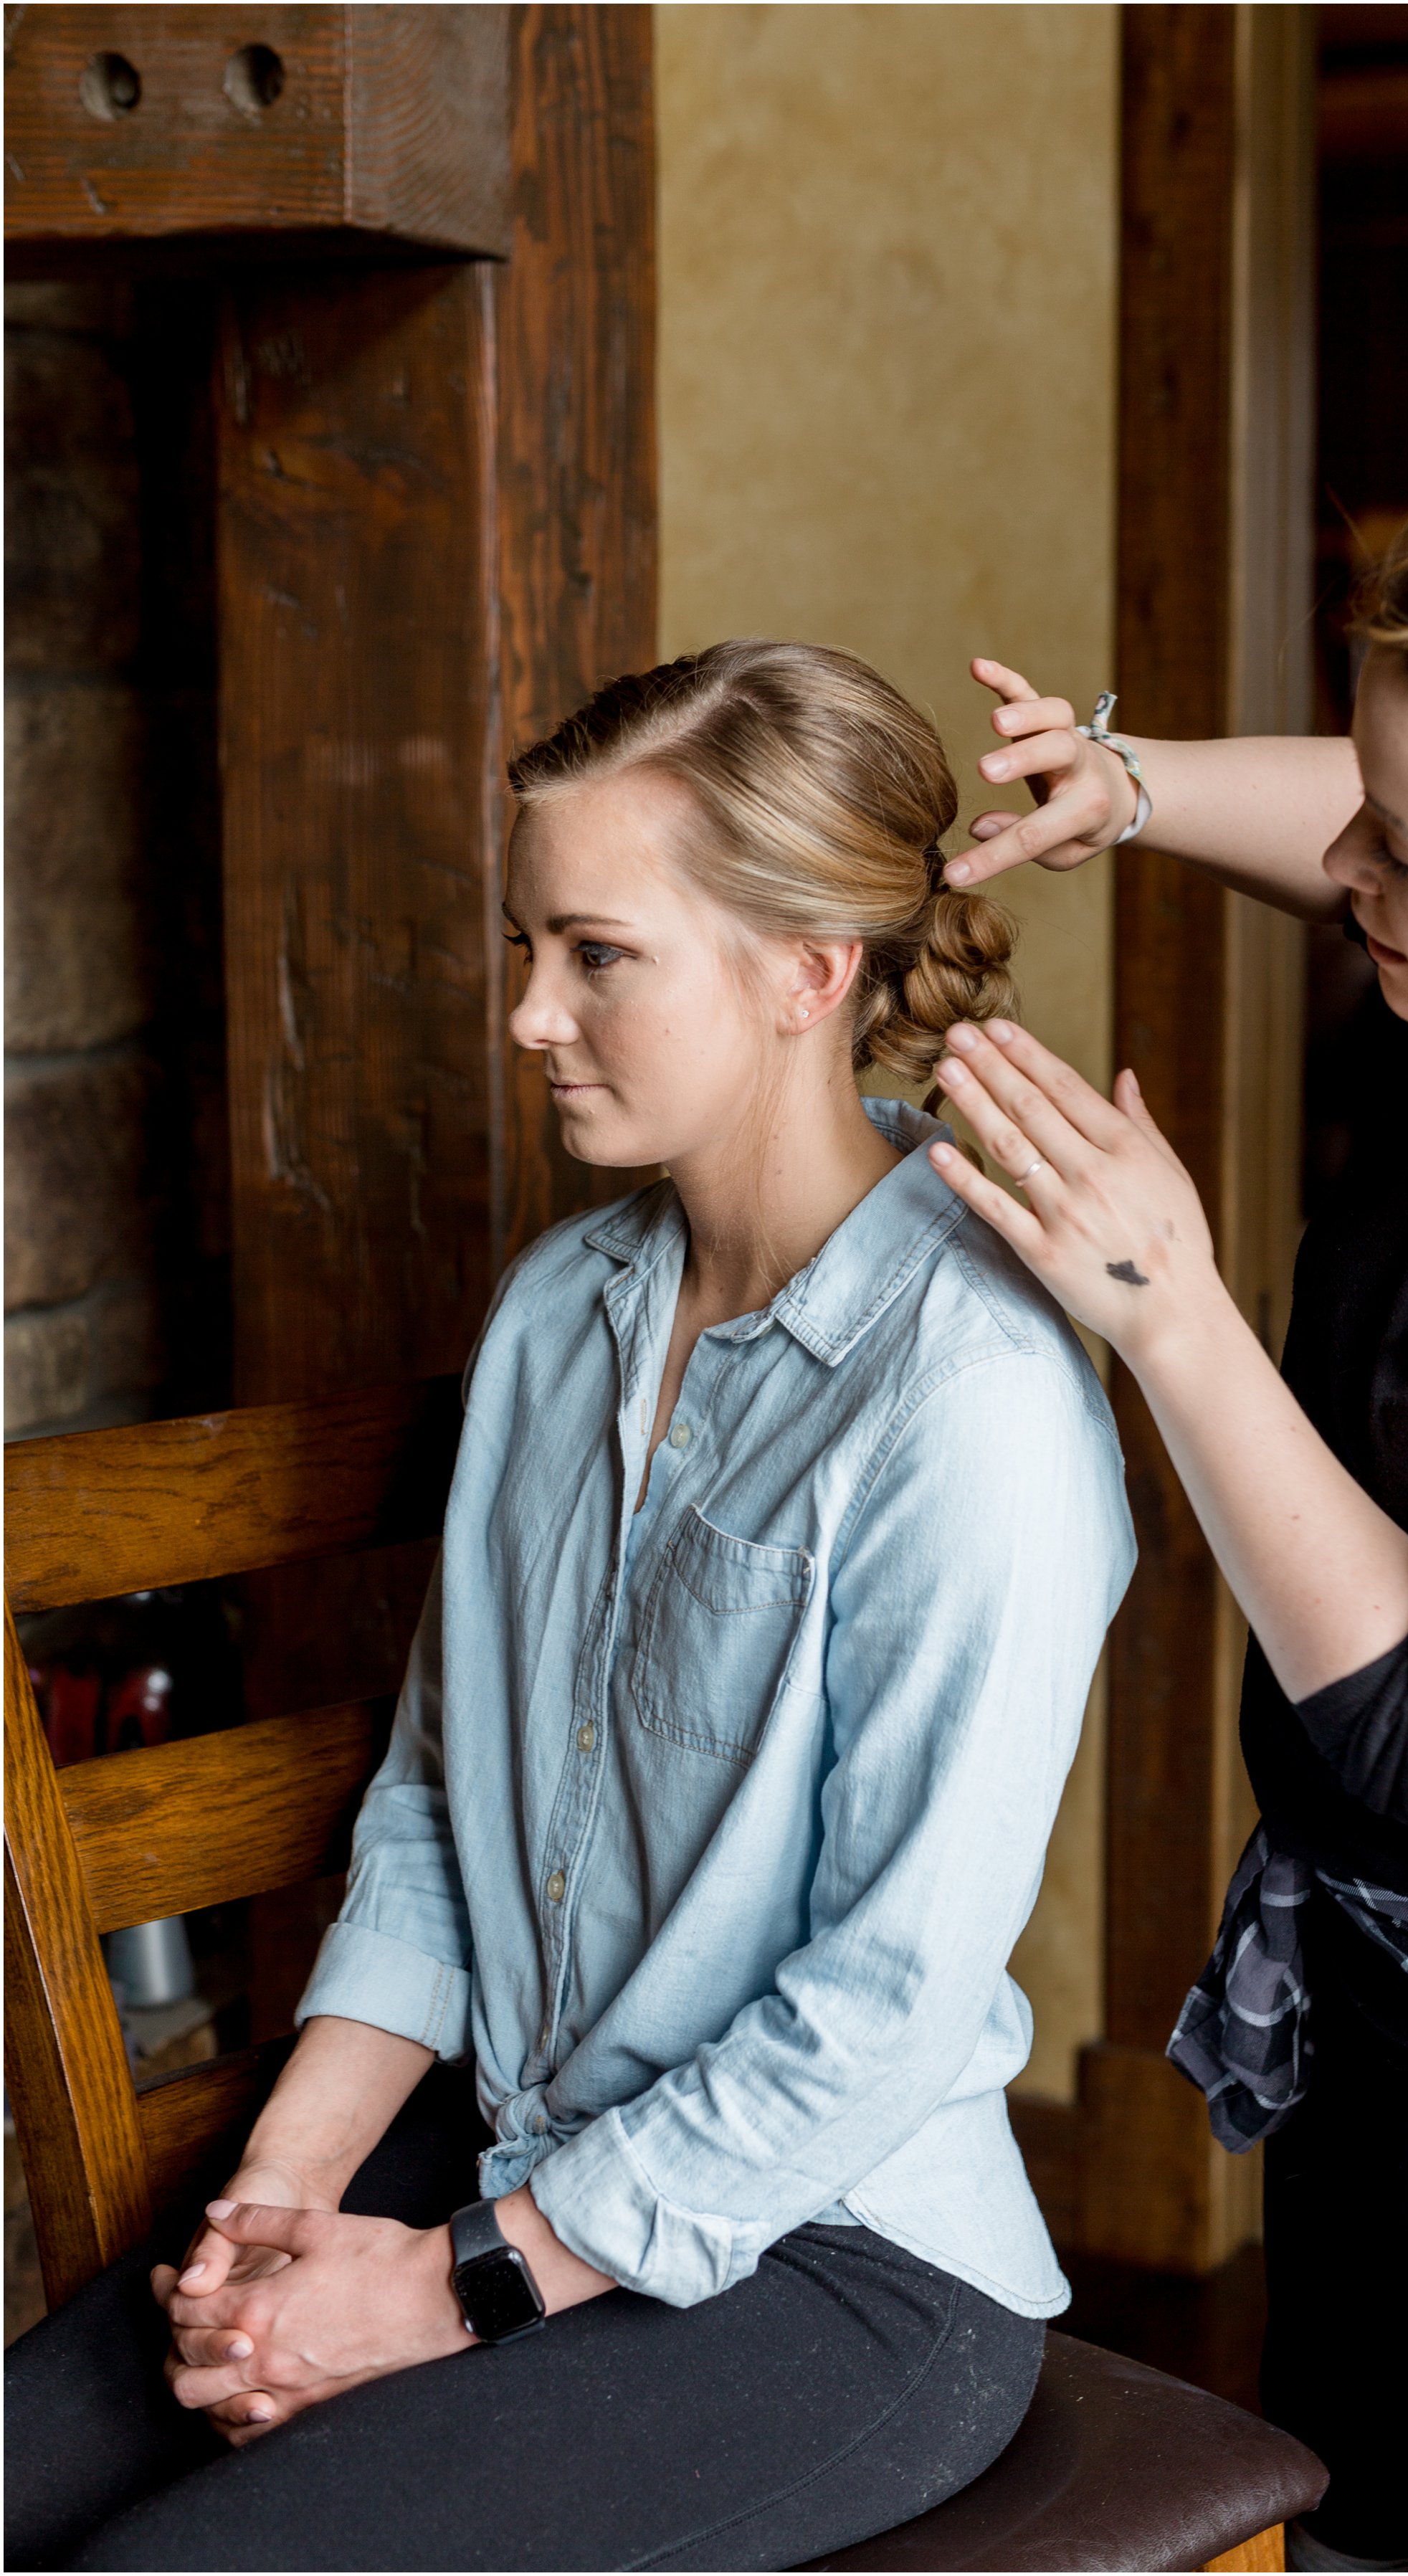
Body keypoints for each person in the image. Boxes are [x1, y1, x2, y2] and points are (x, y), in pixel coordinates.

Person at [6, 640, 1135, 2574]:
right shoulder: (556, 1313)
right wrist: (277, 2207)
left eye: (598, 953)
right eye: (528, 945)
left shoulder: (982, 1390)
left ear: (808, 969)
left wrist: (437, 2289)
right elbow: (446, 1811)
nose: (530, 1012)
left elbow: (876, 2008)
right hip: (516, 2152)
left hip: (841, 2260)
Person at [923, 454, 1408, 2574]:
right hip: (1388, 2021)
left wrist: (1168, 1311)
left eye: (1407, 860)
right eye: (1358, 797)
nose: (1351, 869)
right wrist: (1138, 782)